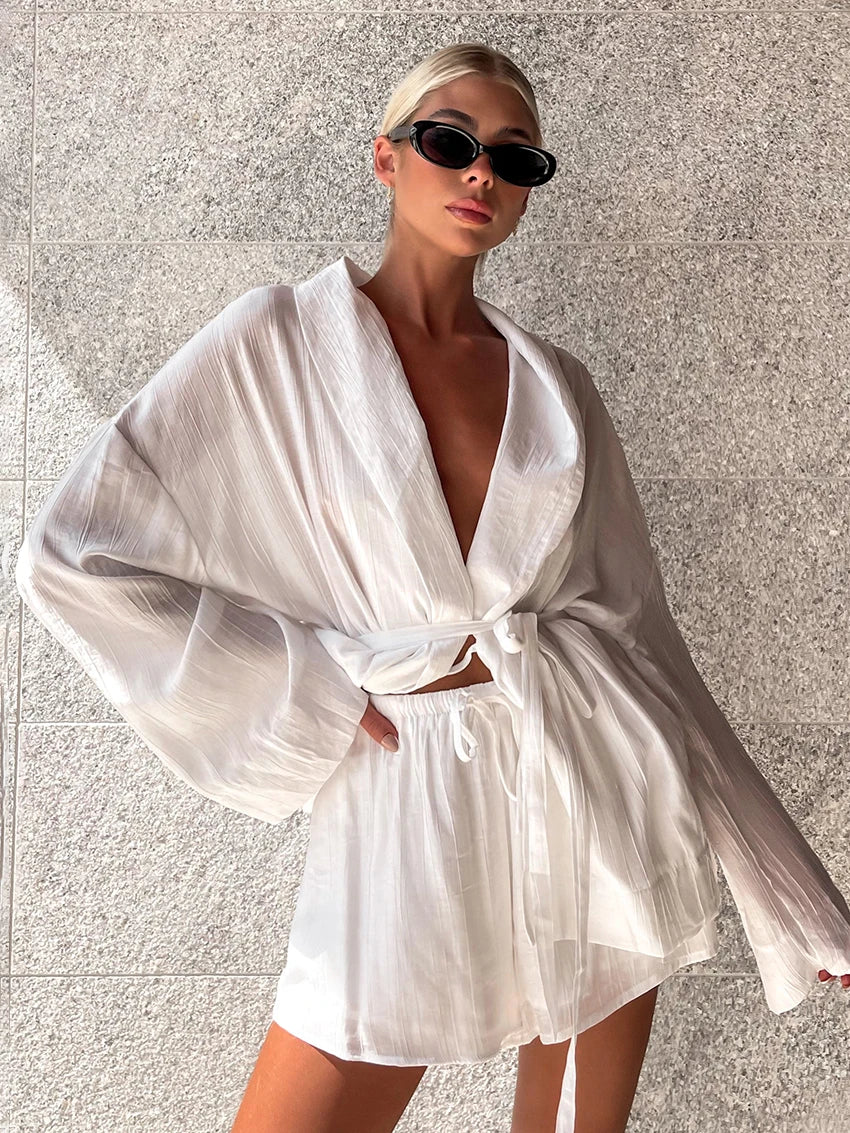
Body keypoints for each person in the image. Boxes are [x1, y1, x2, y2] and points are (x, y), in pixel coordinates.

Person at [14, 42, 850, 1133]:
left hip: (585, 791)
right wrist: (311, 690)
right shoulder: (278, 343)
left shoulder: (557, 387)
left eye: (515, 158)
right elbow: (74, 553)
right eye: (450, 141)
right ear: (386, 157)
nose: (480, 172)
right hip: (402, 787)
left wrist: (800, 896)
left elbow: (642, 642)